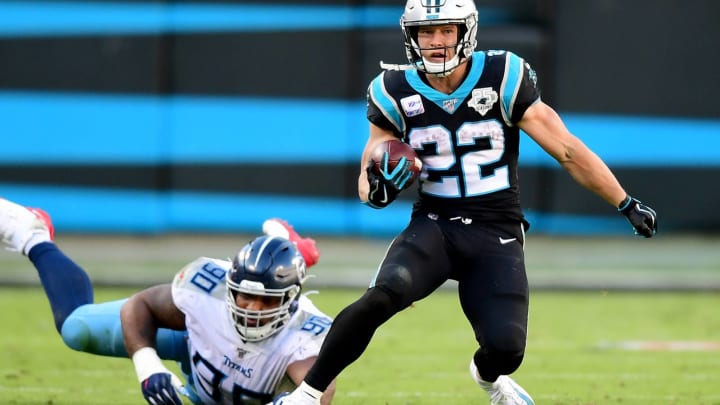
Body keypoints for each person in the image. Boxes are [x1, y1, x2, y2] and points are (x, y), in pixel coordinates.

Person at [277, 0, 658, 404]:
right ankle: (307, 394)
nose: (436, 41)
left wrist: (624, 202)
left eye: (446, 30)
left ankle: (489, 378)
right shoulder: (392, 90)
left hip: (497, 227)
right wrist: (379, 188)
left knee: (506, 349)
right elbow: (367, 175)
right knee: (384, 293)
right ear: (412, 36)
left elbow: (565, 149)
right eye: (426, 31)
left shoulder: (502, 76)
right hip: (435, 224)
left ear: (466, 32)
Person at [0, 197, 336, 405]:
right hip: (194, 340)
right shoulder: (209, 289)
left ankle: (293, 251)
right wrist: (148, 366)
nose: (250, 308)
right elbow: (141, 305)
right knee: (76, 328)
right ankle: (30, 233)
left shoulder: (303, 335)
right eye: (244, 296)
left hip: (218, 365)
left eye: (265, 302)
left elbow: (321, 386)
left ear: (291, 302)